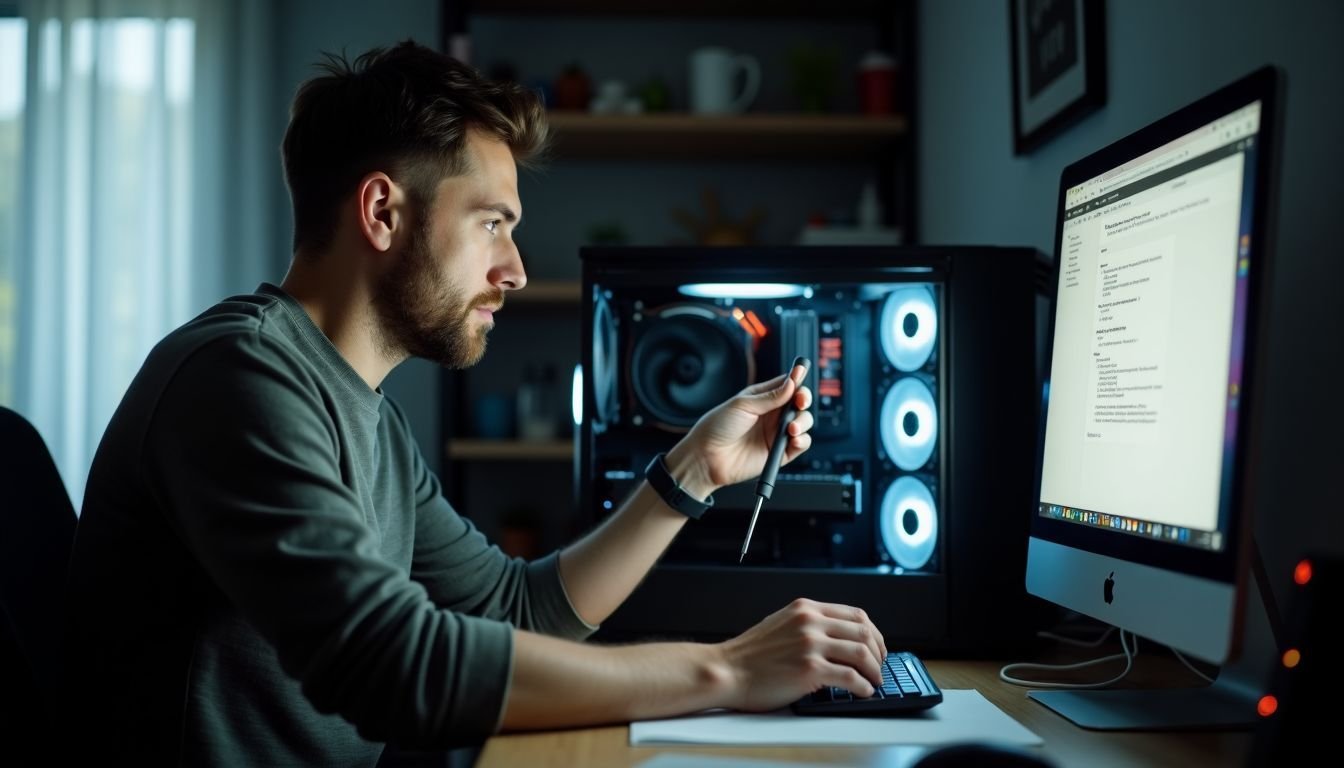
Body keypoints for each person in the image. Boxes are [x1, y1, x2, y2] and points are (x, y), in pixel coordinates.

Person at [64, 40, 889, 766]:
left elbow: (516, 610)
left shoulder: (363, 411)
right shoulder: (237, 379)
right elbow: (391, 666)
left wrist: (691, 471)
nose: (517, 269)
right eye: (493, 222)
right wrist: (731, 672)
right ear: (383, 211)